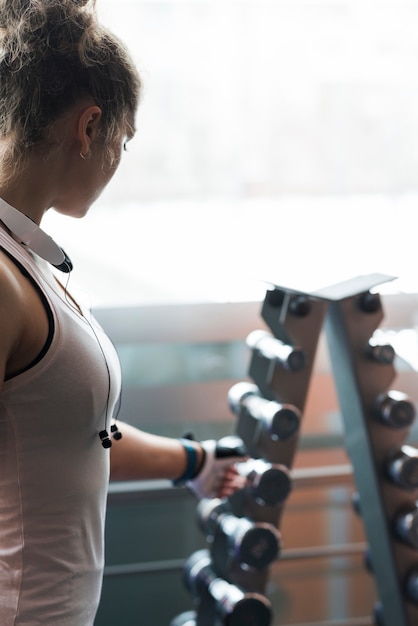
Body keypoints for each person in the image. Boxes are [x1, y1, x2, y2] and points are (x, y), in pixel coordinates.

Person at [0, 1, 245, 624]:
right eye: (123, 141)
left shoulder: (31, 259)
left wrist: (194, 462)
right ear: (89, 127)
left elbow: (73, 433)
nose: (118, 160)